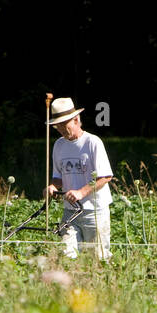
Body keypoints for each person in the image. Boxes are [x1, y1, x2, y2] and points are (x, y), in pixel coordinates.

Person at [43, 97, 114, 260]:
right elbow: (58, 177)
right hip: (70, 212)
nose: (60, 129)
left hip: (94, 211)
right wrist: (53, 187)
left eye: (63, 124)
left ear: (76, 120)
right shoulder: (58, 145)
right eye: (57, 126)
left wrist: (81, 192)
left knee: (98, 258)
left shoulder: (92, 142)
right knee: (67, 255)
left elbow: (105, 176)